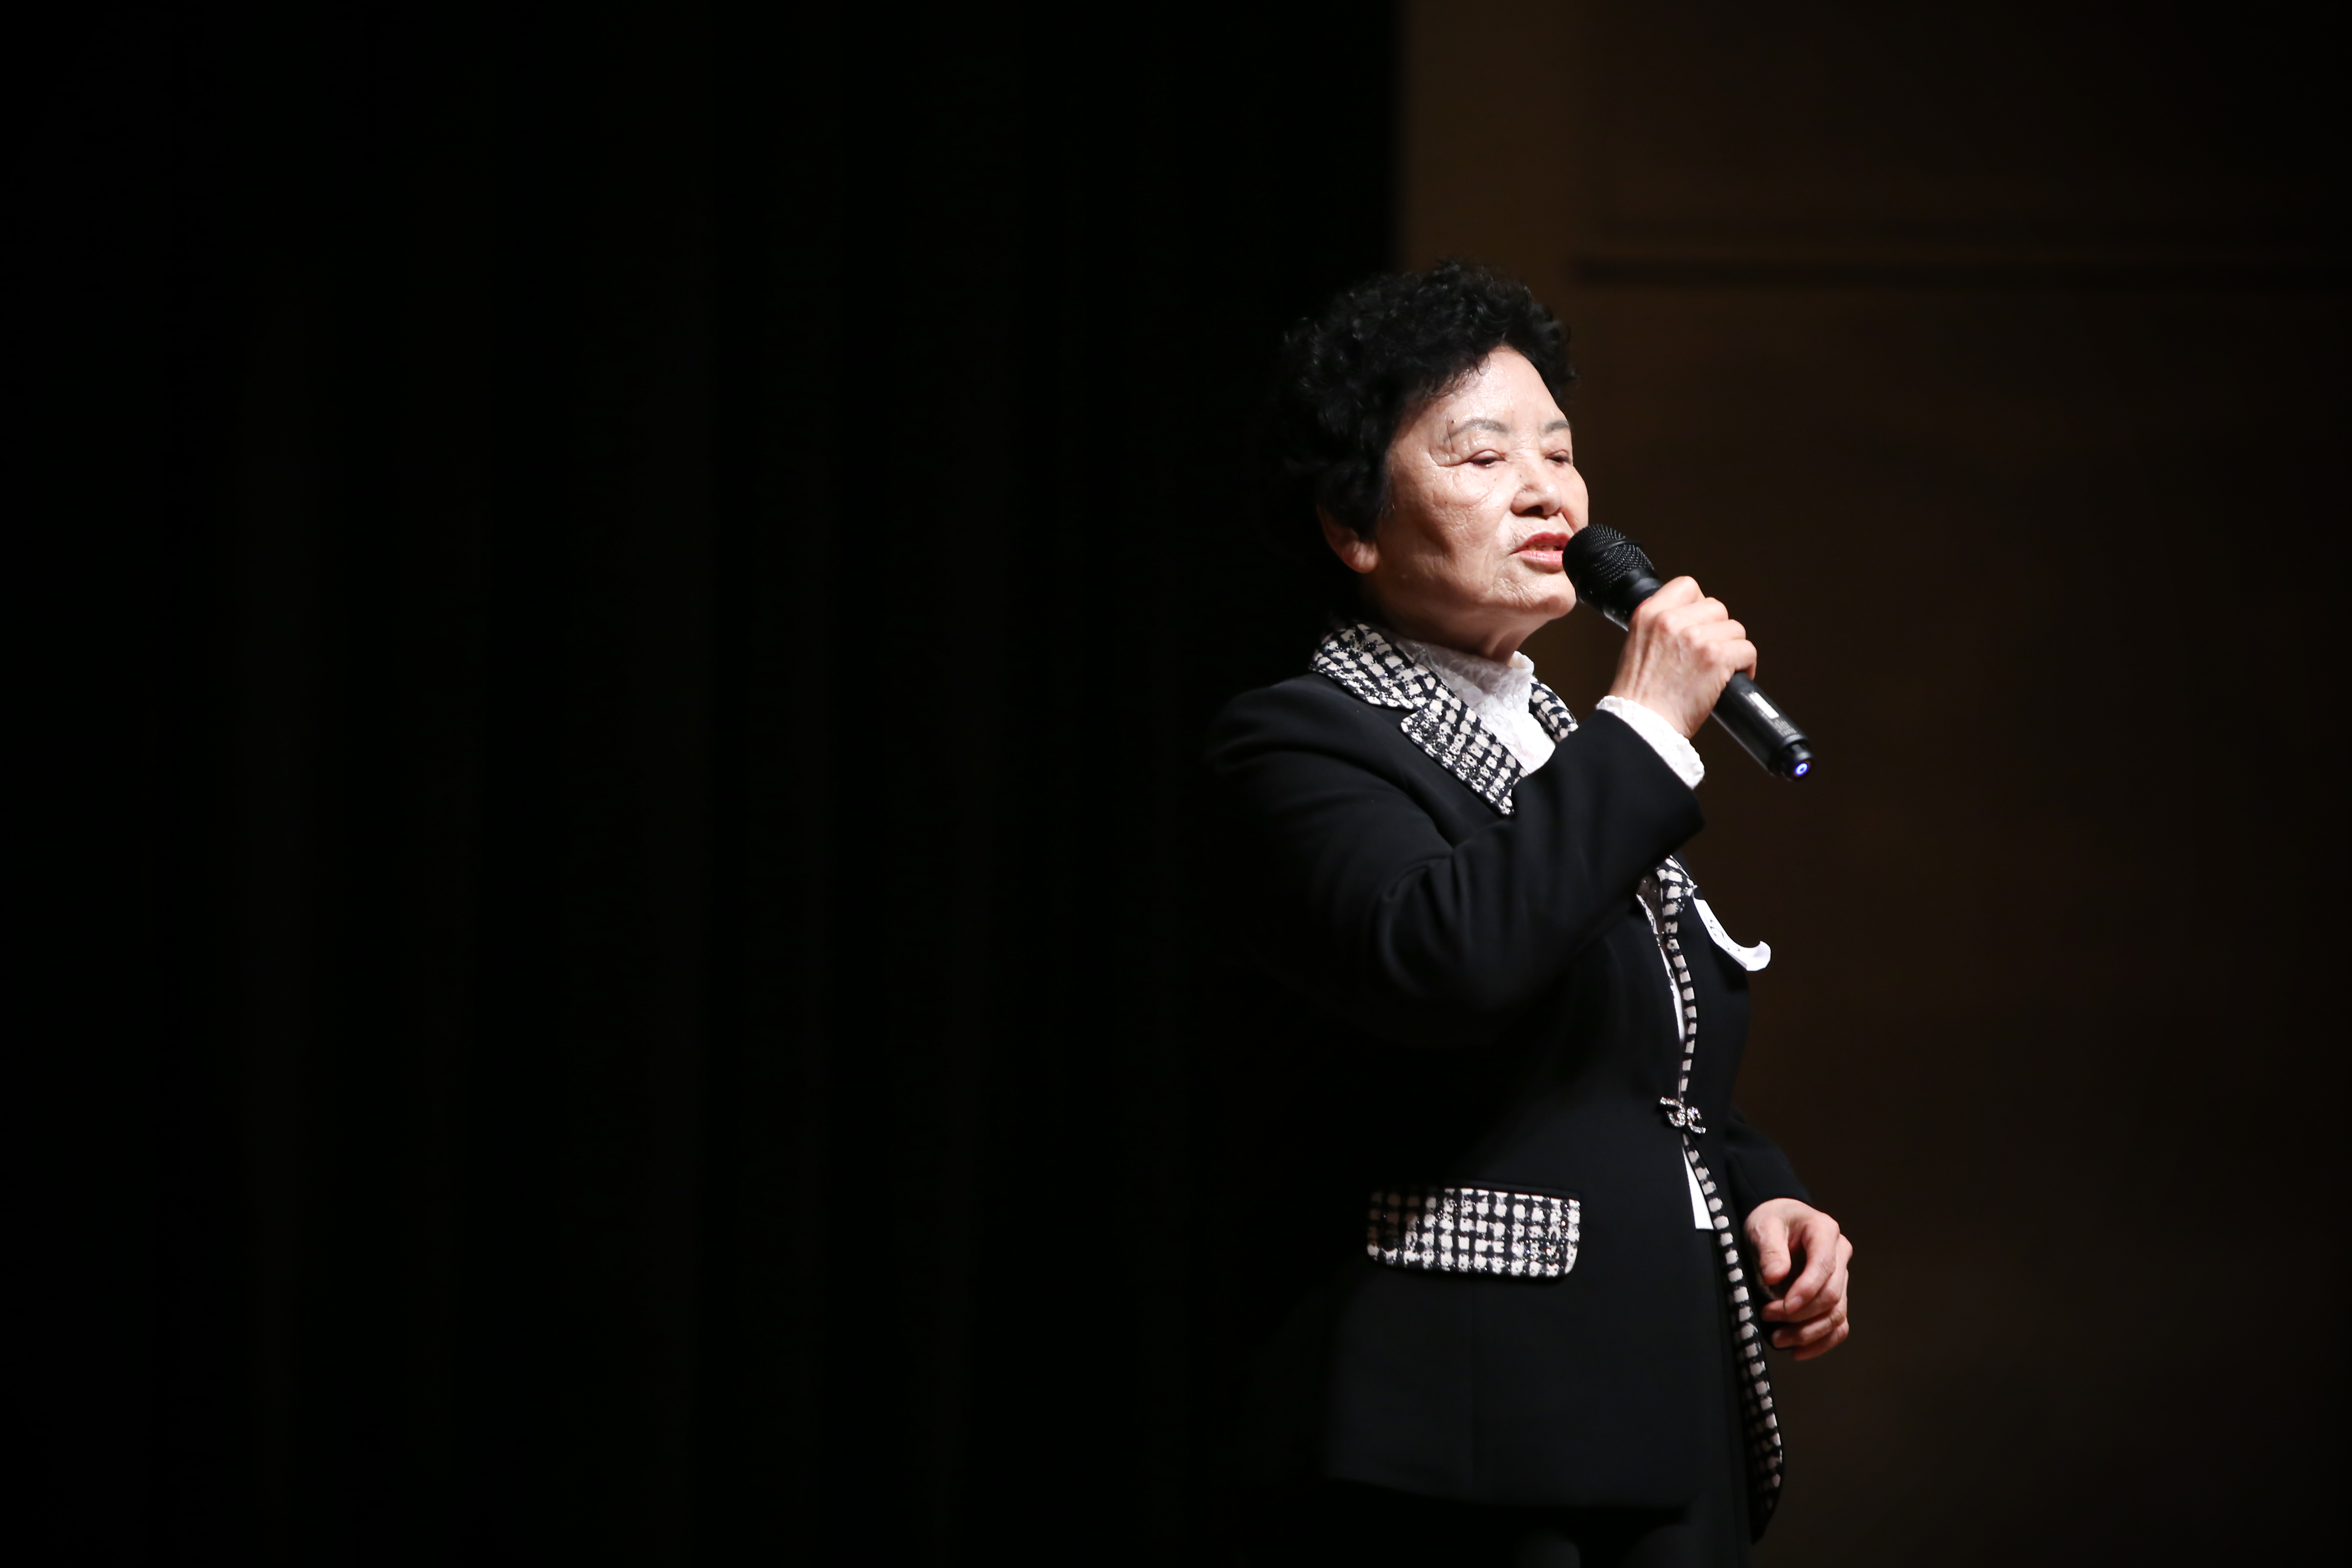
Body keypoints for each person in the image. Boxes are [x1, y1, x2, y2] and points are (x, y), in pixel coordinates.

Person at [1202, 263, 1853, 1566]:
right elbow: (1448, 964)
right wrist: (1645, 726)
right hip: (1469, 1434)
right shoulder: (1296, 745)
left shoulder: (1558, 745)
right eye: (1482, 454)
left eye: (1558, 451)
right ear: (1353, 526)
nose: (1548, 490)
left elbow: (1622, 1052)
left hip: (1663, 1397)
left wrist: (1758, 1192)